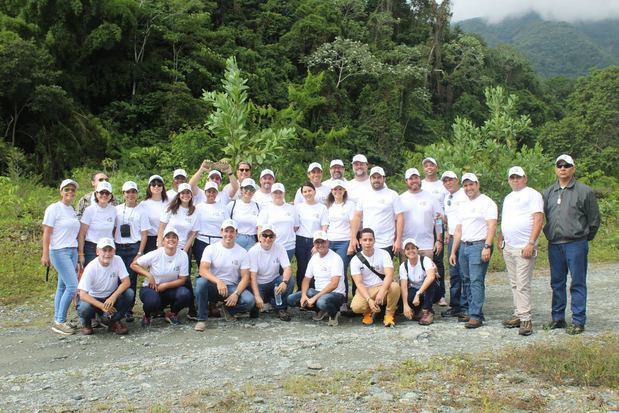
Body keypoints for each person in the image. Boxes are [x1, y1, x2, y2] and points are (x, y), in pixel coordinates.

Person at [542, 154, 600, 335]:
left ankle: (578, 320)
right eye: (559, 165)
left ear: (573, 168)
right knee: (557, 282)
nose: (563, 168)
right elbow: (540, 217)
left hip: (576, 243)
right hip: (555, 244)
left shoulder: (585, 191)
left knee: (578, 282)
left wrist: (583, 237)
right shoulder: (548, 193)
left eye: (567, 165)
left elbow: (594, 220)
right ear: (555, 169)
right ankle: (558, 318)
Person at [498, 166, 544, 336]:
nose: (515, 180)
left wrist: (531, 243)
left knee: (523, 284)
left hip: (524, 247)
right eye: (512, 177)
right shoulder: (508, 197)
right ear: (509, 179)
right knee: (514, 282)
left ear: (525, 178)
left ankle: (526, 319)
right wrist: (501, 236)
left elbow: (538, 219)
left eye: (518, 177)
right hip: (509, 246)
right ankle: (518, 313)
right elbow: (507, 219)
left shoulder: (533, 194)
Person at [449, 173, 498, 329]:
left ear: (477, 184)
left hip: (479, 245)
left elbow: (492, 225)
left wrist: (487, 246)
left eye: (471, 184)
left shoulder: (486, 202)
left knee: (476, 280)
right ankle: (472, 311)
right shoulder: (462, 205)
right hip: (464, 245)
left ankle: (476, 316)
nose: (468, 188)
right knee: (466, 280)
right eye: (465, 185)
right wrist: (453, 251)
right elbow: (458, 230)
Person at [194, 219, 256, 331]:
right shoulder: (211, 248)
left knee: (249, 300)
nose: (229, 234)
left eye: (232, 231)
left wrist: (236, 294)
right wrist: (218, 281)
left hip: (231, 288)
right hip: (213, 286)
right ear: (221, 232)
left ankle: (228, 310)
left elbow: (246, 277)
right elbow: (203, 270)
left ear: (236, 233)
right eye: (226, 231)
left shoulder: (242, 252)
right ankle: (201, 319)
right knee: (200, 282)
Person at [131, 227, 192, 327]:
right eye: (167, 237)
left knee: (185, 294)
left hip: (170, 288)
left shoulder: (183, 255)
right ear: (163, 241)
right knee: (152, 301)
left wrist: (165, 285)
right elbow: (133, 265)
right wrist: (148, 275)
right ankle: (147, 315)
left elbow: (182, 279)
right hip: (151, 288)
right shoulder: (156, 253)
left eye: (174, 237)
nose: (171, 240)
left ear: (178, 240)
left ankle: (172, 313)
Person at [42, 179, 81, 335]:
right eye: (67, 189)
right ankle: (60, 321)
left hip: (72, 250)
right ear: (61, 191)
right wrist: (45, 253)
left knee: (62, 286)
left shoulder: (71, 209)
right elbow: (47, 232)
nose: (70, 192)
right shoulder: (54, 208)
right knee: (72, 286)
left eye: (72, 190)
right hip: (58, 251)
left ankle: (59, 319)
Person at [288, 230, 346, 326]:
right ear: (314, 244)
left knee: (321, 301)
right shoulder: (314, 258)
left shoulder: (336, 258)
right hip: (318, 292)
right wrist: (303, 295)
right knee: (291, 299)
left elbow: (334, 284)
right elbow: (306, 279)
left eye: (323, 242)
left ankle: (334, 313)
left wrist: (314, 298)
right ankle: (321, 310)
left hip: (336, 294)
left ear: (328, 242)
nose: (320, 245)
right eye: (317, 242)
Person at [158, 182, 198, 318]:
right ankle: (158, 306)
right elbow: (162, 227)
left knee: (185, 278)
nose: (185, 195)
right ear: (179, 195)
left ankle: (191, 308)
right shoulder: (170, 208)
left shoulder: (194, 211)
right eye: (183, 193)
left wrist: (185, 249)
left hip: (183, 248)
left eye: (188, 193)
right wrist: (160, 245)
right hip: (167, 246)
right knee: (164, 274)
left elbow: (193, 232)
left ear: (191, 195)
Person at [77, 238, 133, 335]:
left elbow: (126, 282)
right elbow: (82, 294)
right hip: (94, 298)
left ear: (114, 251)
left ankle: (114, 321)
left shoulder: (118, 260)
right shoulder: (91, 267)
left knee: (129, 293)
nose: (107, 253)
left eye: (110, 250)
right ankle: (86, 323)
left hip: (110, 296)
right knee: (84, 307)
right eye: (104, 250)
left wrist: (113, 297)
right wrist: (102, 306)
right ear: (97, 251)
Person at [350, 228, 401, 327]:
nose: (368, 243)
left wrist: (382, 291)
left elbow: (389, 275)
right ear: (360, 241)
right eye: (365, 240)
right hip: (366, 290)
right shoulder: (355, 260)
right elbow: (359, 283)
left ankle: (389, 315)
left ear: (374, 240)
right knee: (356, 307)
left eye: (370, 239)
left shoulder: (384, 254)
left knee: (394, 286)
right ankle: (368, 312)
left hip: (382, 287)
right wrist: (369, 299)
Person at [114, 181, 149, 322]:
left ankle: (128, 309)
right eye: (127, 192)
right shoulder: (116, 209)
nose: (130, 195)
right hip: (118, 247)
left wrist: (140, 252)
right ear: (123, 194)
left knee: (131, 278)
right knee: (116, 278)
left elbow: (144, 234)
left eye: (133, 192)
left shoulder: (142, 211)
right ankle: (116, 305)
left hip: (134, 246)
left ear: (137, 194)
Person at [349, 166, 403, 258]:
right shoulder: (364, 195)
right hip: (367, 242)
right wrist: (353, 237)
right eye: (374, 177)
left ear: (384, 178)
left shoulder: (392, 195)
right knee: (367, 271)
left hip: (386, 242)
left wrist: (398, 240)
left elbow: (400, 217)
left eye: (379, 177)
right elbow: (357, 216)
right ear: (370, 179)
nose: (376, 180)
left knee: (385, 271)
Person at [248, 225, 294, 321]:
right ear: (260, 237)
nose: (268, 238)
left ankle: (281, 308)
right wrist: (257, 296)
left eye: (271, 236)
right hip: (259, 284)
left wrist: (284, 282)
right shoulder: (253, 251)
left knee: (290, 280)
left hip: (274, 283)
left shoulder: (280, 248)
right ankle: (269, 302)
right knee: (254, 313)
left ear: (274, 237)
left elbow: (288, 268)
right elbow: (252, 277)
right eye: (265, 235)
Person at [399, 167, 443, 268]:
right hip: (406, 245)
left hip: (426, 245)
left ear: (420, 179)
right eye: (411, 179)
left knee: (428, 276)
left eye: (416, 178)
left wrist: (439, 240)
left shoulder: (431, 198)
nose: (414, 181)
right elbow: (396, 221)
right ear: (406, 181)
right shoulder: (400, 199)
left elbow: (439, 220)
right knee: (406, 277)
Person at [421, 157, 449, 306]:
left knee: (437, 260)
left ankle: (440, 294)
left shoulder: (442, 185)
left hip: (438, 225)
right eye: (426, 165)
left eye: (431, 165)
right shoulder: (420, 184)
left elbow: (445, 210)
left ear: (436, 167)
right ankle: (423, 292)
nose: (429, 167)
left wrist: (443, 230)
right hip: (422, 226)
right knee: (423, 260)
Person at [440, 171, 467, 318]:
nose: (448, 183)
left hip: (463, 238)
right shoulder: (447, 197)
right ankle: (455, 305)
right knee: (454, 273)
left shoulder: (464, 194)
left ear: (457, 180)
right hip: (451, 237)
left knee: (464, 273)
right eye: (445, 181)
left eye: (451, 180)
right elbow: (450, 218)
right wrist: (442, 220)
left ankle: (465, 306)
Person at [325, 179, 355, 310]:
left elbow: (354, 224)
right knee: (329, 270)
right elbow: (325, 225)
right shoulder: (328, 206)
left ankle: (343, 301)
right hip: (330, 241)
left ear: (344, 191)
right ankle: (329, 299)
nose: (337, 192)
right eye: (335, 189)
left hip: (344, 241)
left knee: (341, 270)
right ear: (331, 191)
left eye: (340, 189)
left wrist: (352, 242)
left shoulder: (350, 205)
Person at [294, 181, 329, 290]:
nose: (307, 193)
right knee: (302, 267)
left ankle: (313, 292)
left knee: (314, 267)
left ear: (314, 191)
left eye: (309, 190)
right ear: (302, 194)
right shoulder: (298, 207)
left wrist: (319, 243)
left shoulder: (322, 208)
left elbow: (324, 226)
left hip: (315, 241)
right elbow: (295, 226)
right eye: (305, 191)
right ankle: (301, 293)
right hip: (300, 240)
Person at [78, 180, 116, 267]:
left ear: (111, 195)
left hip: (108, 248)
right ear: (96, 194)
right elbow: (81, 234)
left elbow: (114, 231)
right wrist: (81, 254)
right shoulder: (89, 210)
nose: (104, 195)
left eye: (107, 193)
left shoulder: (114, 210)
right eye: (101, 192)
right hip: (91, 248)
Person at [400, 238, 438, 325]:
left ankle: (427, 311)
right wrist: (405, 305)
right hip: (416, 290)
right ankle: (418, 311)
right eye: (407, 249)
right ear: (404, 252)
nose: (411, 251)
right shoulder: (403, 266)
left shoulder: (425, 260)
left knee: (430, 281)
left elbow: (431, 277)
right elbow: (404, 286)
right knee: (407, 297)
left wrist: (418, 293)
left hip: (432, 290)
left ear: (417, 249)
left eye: (413, 248)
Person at [256, 183, 299, 261]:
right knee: (272, 272)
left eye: (280, 192)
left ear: (284, 193)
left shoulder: (292, 208)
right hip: (271, 246)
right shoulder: (266, 209)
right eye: (275, 192)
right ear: (271, 194)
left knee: (286, 270)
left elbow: (295, 227)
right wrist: (261, 243)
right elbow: (260, 228)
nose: (278, 195)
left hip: (289, 247)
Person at [193, 181, 230, 270]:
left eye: (214, 191)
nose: (211, 194)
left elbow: (227, 225)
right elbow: (194, 226)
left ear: (217, 193)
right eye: (209, 191)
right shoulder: (198, 207)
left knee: (218, 269)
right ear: (205, 192)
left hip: (218, 241)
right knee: (203, 269)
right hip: (202, 241)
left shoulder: (223, 207)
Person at [227, 178, 260, 250]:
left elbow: (260, 226)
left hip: (252, 240)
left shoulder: (258, 206)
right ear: (241, 189)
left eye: (251, 189)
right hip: (235, 239)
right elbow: (225, 223)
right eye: (246, 188)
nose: (249, 191)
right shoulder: (232, 205)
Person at [139, 175, 168, 254]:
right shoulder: (143, 204)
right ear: (149, 187)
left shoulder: (168, 203)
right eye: (153, 184)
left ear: (163, 187)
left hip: (166, 238)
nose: (156, 186)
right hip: (149, 239)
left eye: (159, 184)